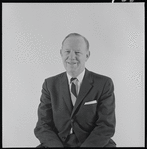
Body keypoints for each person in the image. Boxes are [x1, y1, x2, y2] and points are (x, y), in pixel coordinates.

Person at [34, 33, 116, 147]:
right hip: (58, 144)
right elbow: (43, 126)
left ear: (87, 55)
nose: (71, 57)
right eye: (67, 51)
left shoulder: (104, 84)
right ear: (61, 53)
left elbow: (106, 126)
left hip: (93, 144)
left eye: (77, 52)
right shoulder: (49, 84)